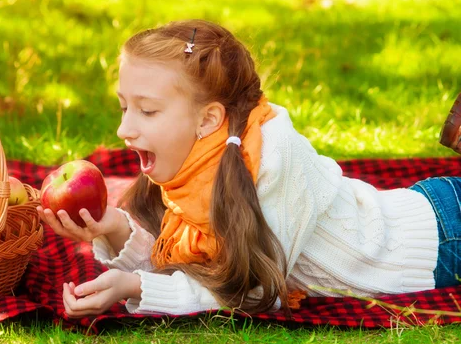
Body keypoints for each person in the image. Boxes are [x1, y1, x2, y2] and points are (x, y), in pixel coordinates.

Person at [37, 19, 461, 318]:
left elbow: (256, 291)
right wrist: (113, 227)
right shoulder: (193, 162)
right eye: (124, 106)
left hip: (442, 239)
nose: (123, 128)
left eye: (147, 111)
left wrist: (136, 287)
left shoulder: (273, 158)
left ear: (208, 119)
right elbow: (202, 268)